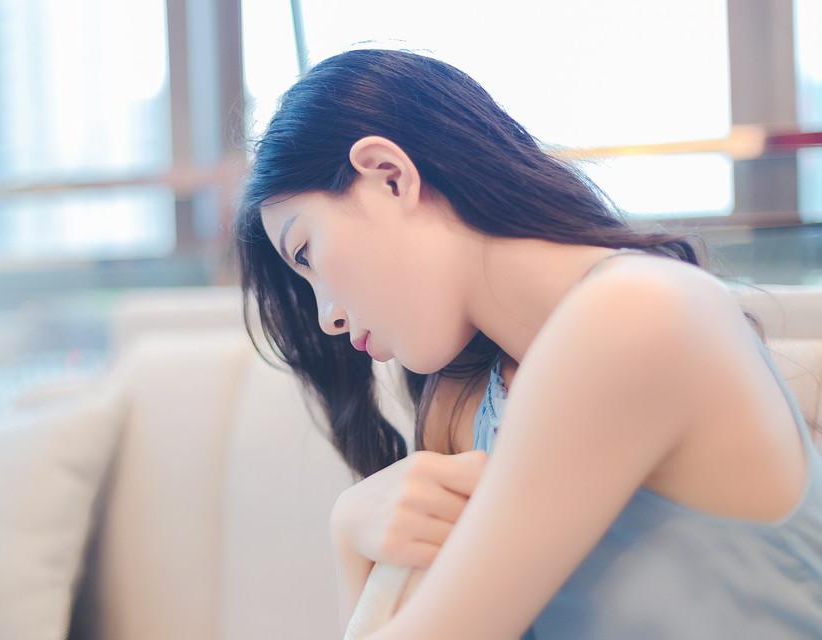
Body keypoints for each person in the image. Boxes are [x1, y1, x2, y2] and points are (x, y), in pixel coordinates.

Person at [230, 48, 822, 639]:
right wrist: (350, 541)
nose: (327, 318)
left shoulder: (637, 314)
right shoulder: (465, 400)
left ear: (390, 176)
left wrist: (348, 538)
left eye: (306, 253)